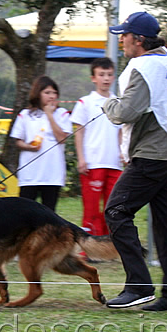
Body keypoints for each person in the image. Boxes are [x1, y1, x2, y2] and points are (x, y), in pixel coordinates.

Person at [103, 11, 167, 311]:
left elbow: (122, 113)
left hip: (152, 153)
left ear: (138, 40)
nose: (121, 39)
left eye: (125, 35)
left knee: (117, 209)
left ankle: (139, 286)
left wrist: (106, 100)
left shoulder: (142, 67)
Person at [70, 57, 122, 235]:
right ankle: (90, 244)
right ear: (93, 78)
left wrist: (124, 154)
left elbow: (122, 131)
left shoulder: (119, 103)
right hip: (93, 163)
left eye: (109, 75)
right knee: (91, 208)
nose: (106, 79)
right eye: (101, 75)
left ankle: (110, 243)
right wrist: (82, 159)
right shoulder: (85, 102)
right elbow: (79, 131)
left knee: (113, 207)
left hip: (114, 163)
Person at [9, 76, 71, 211]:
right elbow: (17, 140)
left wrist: (50, 115)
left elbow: (62, 138)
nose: (51, 96)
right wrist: (29, 147)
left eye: (54, 93)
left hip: (52, 174)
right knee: (25, 211)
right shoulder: (25, 114)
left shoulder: (62, 114)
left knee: (49, 213)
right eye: (47, 93)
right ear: (38, 93)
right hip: (30, 173)